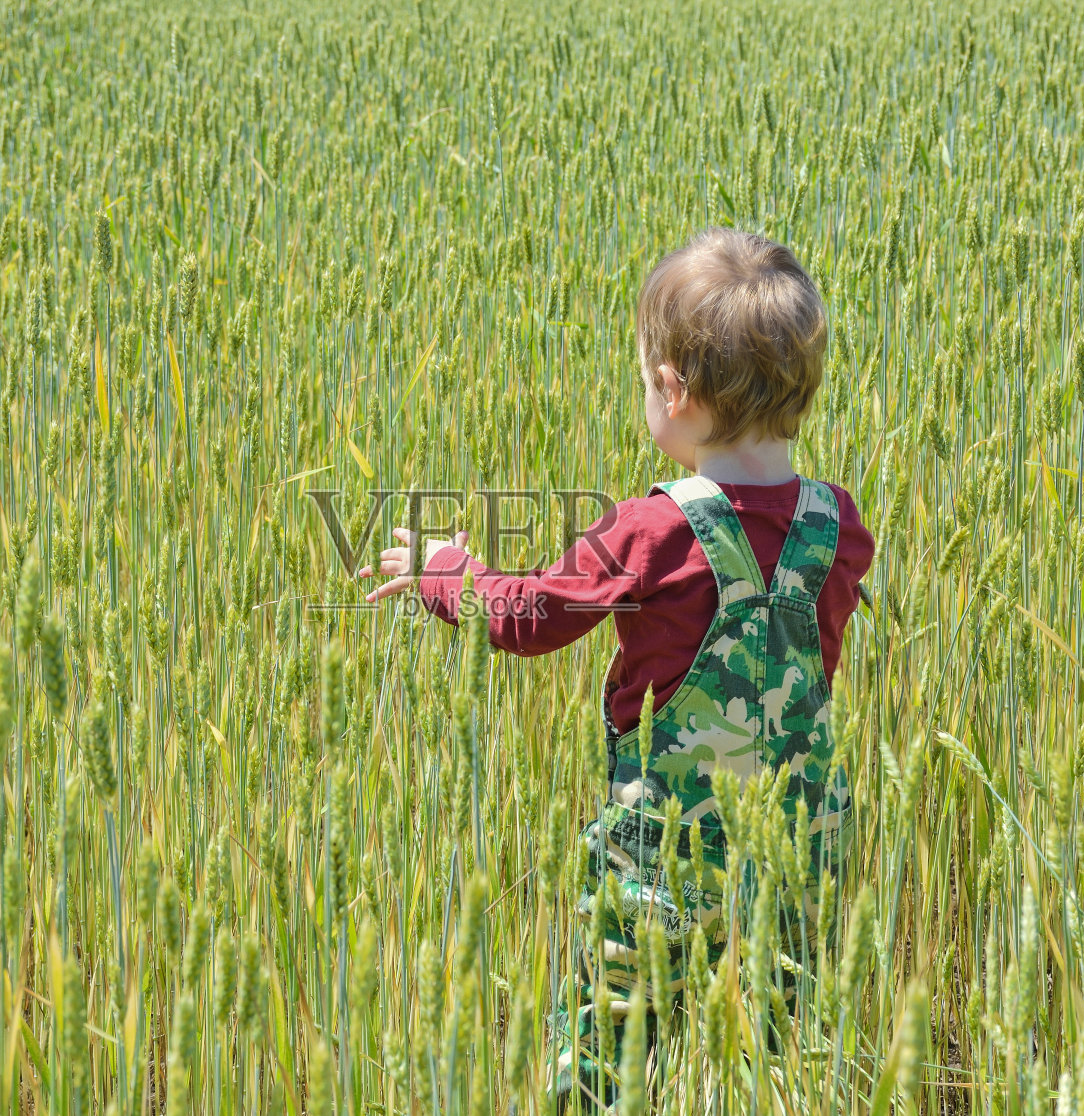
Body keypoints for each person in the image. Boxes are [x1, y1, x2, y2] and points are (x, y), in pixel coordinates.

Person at [358, 227, 876, 1111]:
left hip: (659, 871)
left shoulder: (655, 531)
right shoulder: (839, 526)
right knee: (777, 1057)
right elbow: (812, 655)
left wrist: (446, 572)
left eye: (645, 378)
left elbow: (525, 619)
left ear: (673, 391)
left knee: (598, 1053)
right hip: (792, 868)